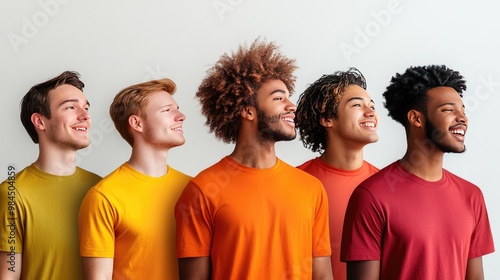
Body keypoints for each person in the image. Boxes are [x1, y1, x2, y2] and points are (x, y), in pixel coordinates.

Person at [175, 38, 333, 280]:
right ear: (248, 110)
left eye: (290, 98)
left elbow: (322, 275)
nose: (292, 106)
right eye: (279, 98)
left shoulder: (311, 188)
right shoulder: (203, 190)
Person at [341, 65, 495, 279]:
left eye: (463, 110)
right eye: (449, 110)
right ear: (416, 118)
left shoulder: (472, 196)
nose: (462, 118)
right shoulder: (371, 196)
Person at [78, 78, 191, 279]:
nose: (181, 116)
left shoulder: (194, 189)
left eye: (177, 109)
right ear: (137, 123)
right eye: (167, 110)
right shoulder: (104, 196)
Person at [0, 71, 101, 280]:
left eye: (86, 107)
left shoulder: (101, 188)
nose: (85, 115)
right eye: (71, 107)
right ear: (40, 121)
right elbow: (8, 274)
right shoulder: (11, 193)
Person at [295, 67, 379, 280]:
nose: (370, 113)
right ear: (327, 119)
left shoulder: (386, 186)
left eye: (372, 106)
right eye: (357, 105)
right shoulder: (295, 184)